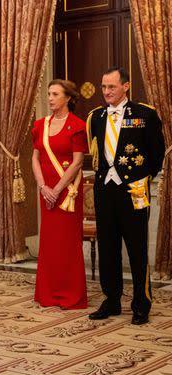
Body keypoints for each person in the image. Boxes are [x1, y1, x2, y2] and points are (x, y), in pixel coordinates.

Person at [87, 67, 165, 325]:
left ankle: (141, 304)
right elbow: (97, 154)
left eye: (111, 86)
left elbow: (156, 154)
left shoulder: (145, 114)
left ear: (126, 86)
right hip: (105, 191)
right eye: (103, 87)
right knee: (108, 248)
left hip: (133, 191)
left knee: (137, 249)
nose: (106, 92)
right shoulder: (96, 117)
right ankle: (111, 300)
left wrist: (143, 179)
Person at [31, 79, 88, 310]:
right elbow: (34, 157)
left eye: (55, 94)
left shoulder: (77, 125)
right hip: (46, 192)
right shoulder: (40, 125)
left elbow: (77, 162)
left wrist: (56, 189)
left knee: (67, 243)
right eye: (49, 94)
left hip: (68, 193)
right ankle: (49, 293)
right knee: (50, 242)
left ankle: (70, 295)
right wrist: (43, 186)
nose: (50, 98)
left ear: (68, 98)